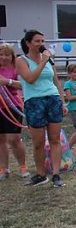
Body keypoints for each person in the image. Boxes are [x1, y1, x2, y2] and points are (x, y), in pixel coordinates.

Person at [15, 30, 67, 187]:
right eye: (37, 41)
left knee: (54, 139)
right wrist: (43, 62)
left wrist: (62, 101)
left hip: (52, 99)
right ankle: (40, 174)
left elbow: (56, 80)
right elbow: (30, 79)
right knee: (38, 142)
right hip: (34, 101)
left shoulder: (48, 59)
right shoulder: (21, 60)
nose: (40, 44)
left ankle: (56, 174)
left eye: (42, 41)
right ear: (28, 43)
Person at [0, 43, 29, 181]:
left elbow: (25, 85)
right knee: (1, 139)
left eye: (7, 54)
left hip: (12, 107)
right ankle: (4, 169)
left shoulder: (16, 68)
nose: (4, 57)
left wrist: (8, 81)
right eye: (1, 54)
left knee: (14, 139)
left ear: (12, 56)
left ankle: (23, 167)